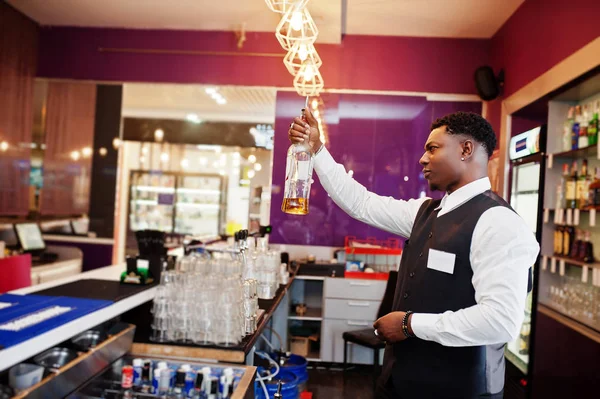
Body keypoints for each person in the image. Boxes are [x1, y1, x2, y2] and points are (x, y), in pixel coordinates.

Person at [288, 110, 540, 399]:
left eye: (433, 148)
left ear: (466, 149)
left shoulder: (498, 222)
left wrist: (409, 324)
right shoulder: (425, 212)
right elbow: (361, 203)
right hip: (400, 380)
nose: (422, 159)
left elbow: (500, 321)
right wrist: (317, 150)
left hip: (458, 390)